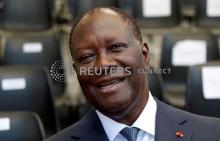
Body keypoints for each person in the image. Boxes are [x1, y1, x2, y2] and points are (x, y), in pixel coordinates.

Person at [45, 7, 220, 141]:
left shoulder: (213, 133)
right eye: (87, 57)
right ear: (77, 72)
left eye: (116, 48)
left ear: (144, 55)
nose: (103, 65)